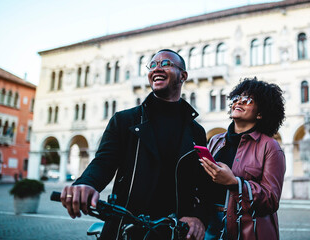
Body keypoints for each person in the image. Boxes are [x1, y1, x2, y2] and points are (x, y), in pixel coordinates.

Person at [60, 49, 209, 240]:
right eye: (152, 65)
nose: (157, 69)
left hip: (174, 231)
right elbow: (103, 162)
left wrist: (198, 217)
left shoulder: (196, 131)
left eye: (166, 64)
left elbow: (202, 184)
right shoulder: (124, 120)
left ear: (183, 76)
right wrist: (86, 183)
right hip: (126, 227)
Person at [200, 77, 286, 240]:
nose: (238, 103)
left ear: (260, 113)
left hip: (246, 228)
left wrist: (234, 183)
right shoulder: (215, 141)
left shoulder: (270, 147)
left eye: (247, 100)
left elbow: (271, 199)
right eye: (236, 98)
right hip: (209, 223)